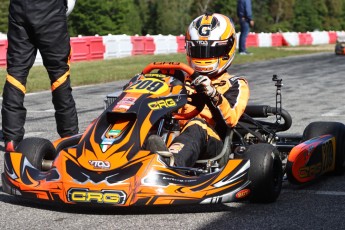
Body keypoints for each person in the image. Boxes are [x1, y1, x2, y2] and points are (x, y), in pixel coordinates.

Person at [146, 13, 250, 167]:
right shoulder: (178, 80)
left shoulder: (235, 84)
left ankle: (171, 164)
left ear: (228, 48)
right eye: (199, 51)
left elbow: (231, 119)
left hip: (213, 143)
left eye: (210, 51)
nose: (204, 56)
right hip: (171, 134)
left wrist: (213, 93)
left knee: (196, 125)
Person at [2, 0, 79, 152]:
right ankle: (69, 136)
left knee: (16, 73)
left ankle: (11, 138)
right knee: (59, 73)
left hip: (19, 9)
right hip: (50, 10)